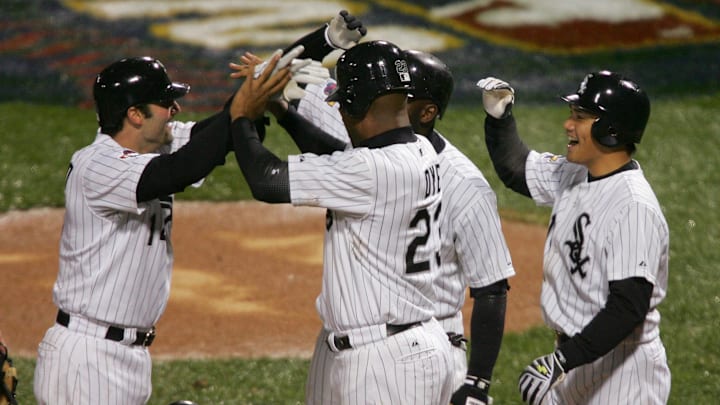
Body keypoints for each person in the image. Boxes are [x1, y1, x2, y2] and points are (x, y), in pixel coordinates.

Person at [259, 49, 515, 404]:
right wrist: (283, 110)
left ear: (426, 111)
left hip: (419, 341)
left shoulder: (465, 184)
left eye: (403, 96)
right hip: (354, 339)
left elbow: (492, 287)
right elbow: (336, 164)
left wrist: (478, 383)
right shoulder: (386, 147)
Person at [228, 40, 455, 405]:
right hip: (403, 345)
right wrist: (284, 112)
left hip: (386, 362)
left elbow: (266, 180)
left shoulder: (369, 170)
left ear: (356, 105)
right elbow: (342, 162)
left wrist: (241, 116)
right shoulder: (419, 150)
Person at [33, 56, 237, 404]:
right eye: (165, 102)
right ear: (136, 114)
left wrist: (283, 72)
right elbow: (179, 171)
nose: (174, 109)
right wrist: (246, 106)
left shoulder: (155, 144)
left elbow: (222, 132)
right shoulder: (97, 164)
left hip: (127, 358)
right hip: (88, 359)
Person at [476, 71, 671, 404]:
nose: (568, 125)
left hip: (622, 373)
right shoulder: (576, 173)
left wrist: (561, 362)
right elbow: (516, 168)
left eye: (579, 117)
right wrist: (499, 117)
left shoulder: (633, 206)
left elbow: (628, 307)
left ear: (610, 130)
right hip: (579, 359)